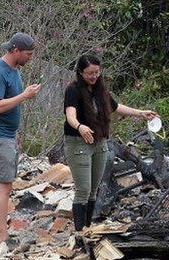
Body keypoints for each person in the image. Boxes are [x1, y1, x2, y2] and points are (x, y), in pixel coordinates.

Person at [63, 54, 156, 243]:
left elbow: (114, 107)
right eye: (90, 73)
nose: (94, 76)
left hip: (99, 141)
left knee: (93, 190)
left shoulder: (100, 89)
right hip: (78, 142)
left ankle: (88, 229)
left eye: (97, 72)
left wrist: (140, 113)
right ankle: (79, 232)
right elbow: (70, 115)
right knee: (83, 188)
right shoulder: (73, 90)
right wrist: (80, 127)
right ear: (81, 72)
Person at [0, 32, 41, 249]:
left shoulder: (14, 71)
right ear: (15, 51)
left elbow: (10, 106)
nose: (30, 57)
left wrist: (14, 134)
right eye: (28, 54)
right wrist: (25, 95)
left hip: (5, 135)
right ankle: (3, 239)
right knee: (4, 187)